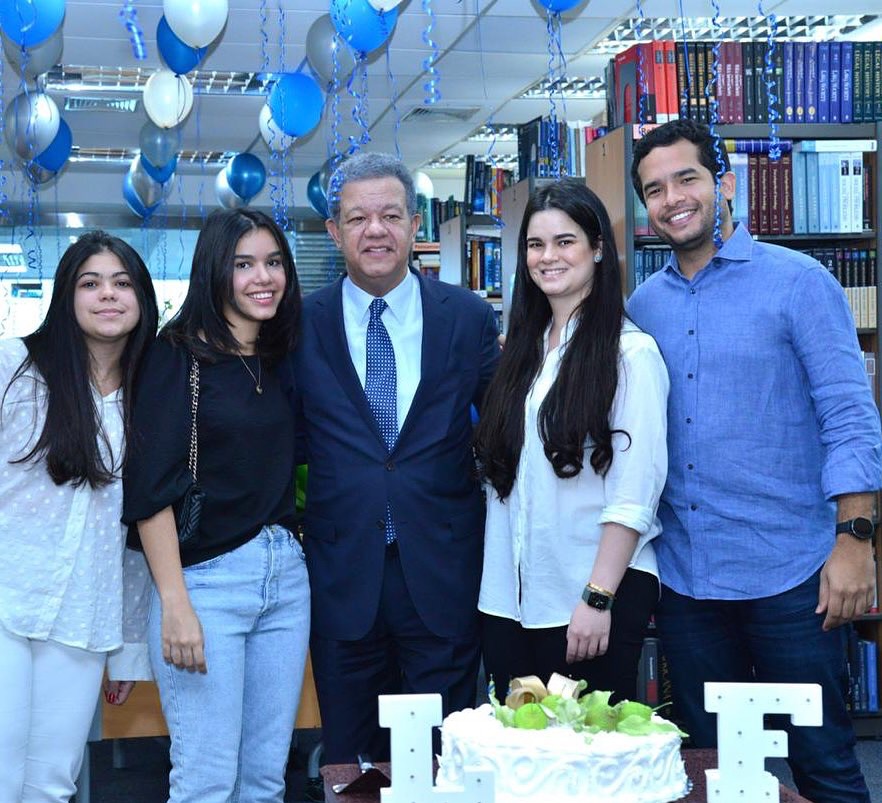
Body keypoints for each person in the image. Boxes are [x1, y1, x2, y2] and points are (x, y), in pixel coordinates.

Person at [627, 118, 881, 803]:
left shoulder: (799, 282)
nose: (673, 199)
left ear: (726, 184)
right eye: (655, 189)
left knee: (825, 765)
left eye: (686, 179)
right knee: (713, 771)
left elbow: (850, 416)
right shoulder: (642, 306)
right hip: (688, 583)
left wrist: (855, 539)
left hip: (792, 576)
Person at [291, 151, 501, 763]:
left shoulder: (467, 317)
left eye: (390, 215)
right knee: (351, 762)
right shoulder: (298, 325)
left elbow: (503, 430)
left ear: (414, 225)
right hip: (341, 576)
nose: (375, 230)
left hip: (443, 571)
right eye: (358, 218)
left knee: (442, 758)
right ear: (335, 233)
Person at [122, 208, 307, 803]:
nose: (263, 277)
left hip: (286, 581)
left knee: (264, 780)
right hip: (205, 585)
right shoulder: (174, 357)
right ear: (213, 272)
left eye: (273, 262)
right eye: (243, 264)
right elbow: (149, 491)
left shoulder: (280, 357)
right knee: (205, 781)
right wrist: (175, 604)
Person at [474, 179, 669, 704]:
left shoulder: (631, 355)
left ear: (598, 248)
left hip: (588, 597)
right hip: (509, 601)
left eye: (565, 242)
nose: (548, 257)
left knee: (584, 746)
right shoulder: (523, 353)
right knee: (518, 745)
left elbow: (634, 493)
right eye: (535, 245)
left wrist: (598, 597)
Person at [0, 231, 158, 803]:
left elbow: (138, 534)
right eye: (90, 283)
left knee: (51, 782)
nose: (107, 294)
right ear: (66, 296)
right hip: (7, 600)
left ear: (142, 298)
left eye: (122, 282)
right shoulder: (14, 367)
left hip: (84, 616)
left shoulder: (151, 398)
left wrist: (129, 648)